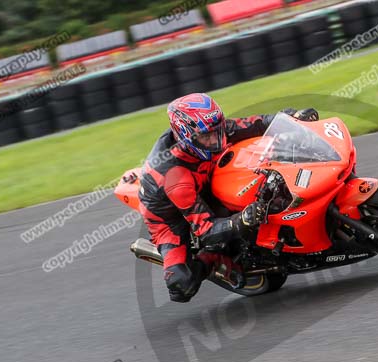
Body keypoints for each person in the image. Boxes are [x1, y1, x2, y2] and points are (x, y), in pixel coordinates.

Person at [135, 92, 318, 303]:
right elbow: (206, 230)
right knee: (181, 285)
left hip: (204, 181)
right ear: (186, 137)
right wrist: (241, 220)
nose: (215, 140)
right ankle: (212, 259)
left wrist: (292, 118)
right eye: (206, 137)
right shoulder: (174, 176)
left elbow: (258, 123)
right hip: (169, 218)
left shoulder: (209, 129)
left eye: (217, 131)